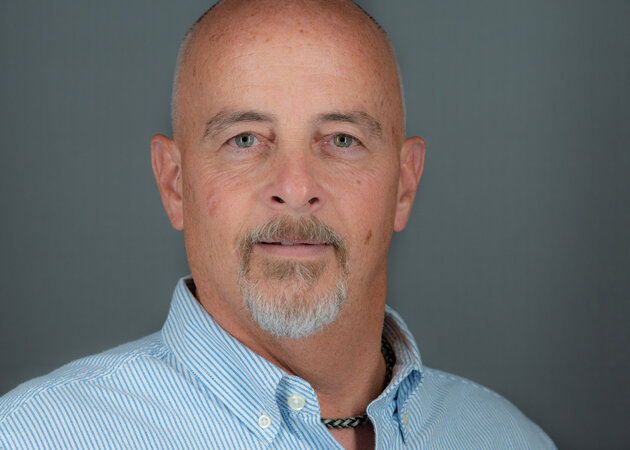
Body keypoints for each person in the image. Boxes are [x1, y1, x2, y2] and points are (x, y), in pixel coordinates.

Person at [0, 0, 555, 448]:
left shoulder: (508, 439)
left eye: (342, 139)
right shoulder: (30, 437)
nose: (294, 187)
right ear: (174, 184)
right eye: (244, 139)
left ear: (404, 187)